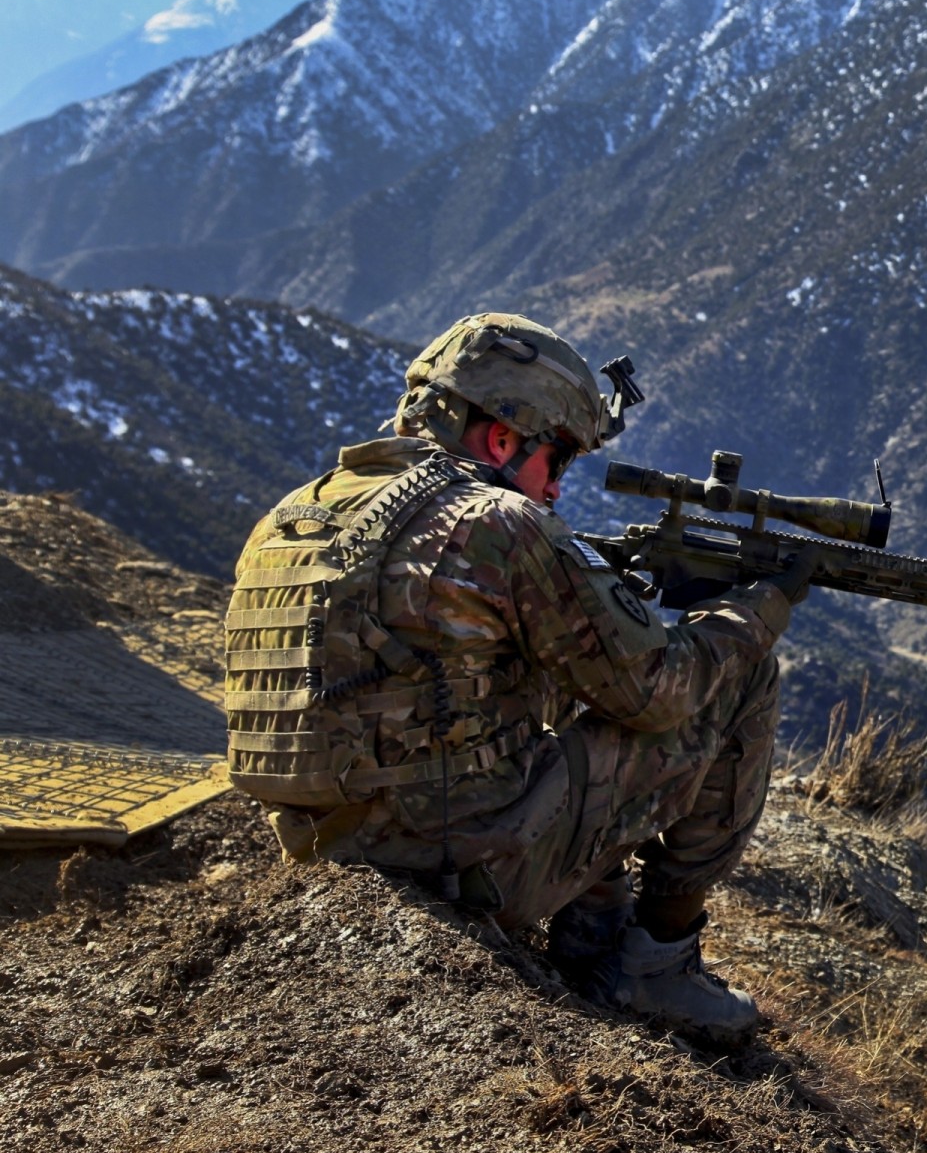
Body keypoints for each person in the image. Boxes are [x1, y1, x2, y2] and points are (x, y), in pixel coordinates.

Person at [222, 313, 812, 1047]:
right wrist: (758, 609)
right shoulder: (498, 524)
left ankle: (594, 925)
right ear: (501, 438)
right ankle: (659, 962)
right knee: (739, 675)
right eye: (557, 460)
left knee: (537, 697)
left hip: (327, 849)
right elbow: (658, 690)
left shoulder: (293, 514)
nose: (558, 490)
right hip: (462, 870)